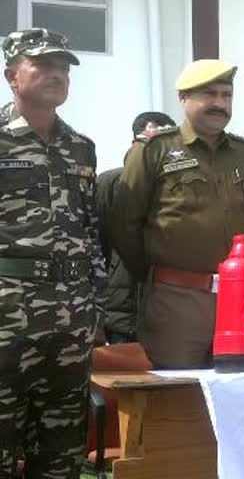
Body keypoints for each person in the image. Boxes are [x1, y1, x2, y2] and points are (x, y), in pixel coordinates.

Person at [110, 59, 244, 369]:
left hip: (240, 300)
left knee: (239, 393)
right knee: (177, 398)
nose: (220, 103)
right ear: (183, 98)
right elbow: (124, 225)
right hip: (177, 301)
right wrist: (159, 274)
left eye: (226, 95)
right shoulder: (154, 150)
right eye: (209, 94)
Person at [0, 28, 107, 478]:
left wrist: (95, 306)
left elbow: (91, 231)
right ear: (11, 74)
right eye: (42, 65)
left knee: (61, 452)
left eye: (63, 68)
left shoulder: (80, 146)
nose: (56, 75)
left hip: (71, 320)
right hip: (7, 317)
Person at [95, 111, 176, 344]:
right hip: (121, 316)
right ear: (134, 144)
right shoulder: (109, 184)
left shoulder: (182, 187)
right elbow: (95, 250)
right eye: (146, 140)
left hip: (170, 316)